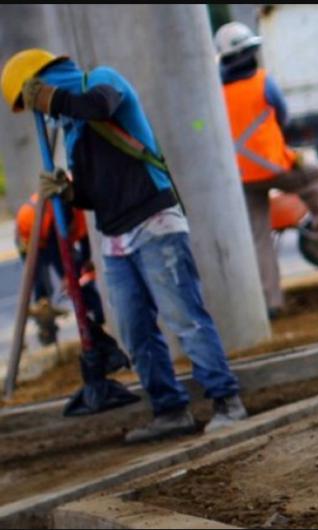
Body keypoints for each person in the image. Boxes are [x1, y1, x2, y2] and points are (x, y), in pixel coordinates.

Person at [1, 48, 249, 442]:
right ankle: (169, 409)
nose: (44, 113)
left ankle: (227, 401)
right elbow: (97, 191)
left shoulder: (101, 81)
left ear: (45, 81)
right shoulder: (74, 129)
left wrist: (53, 98)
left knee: (184, 317)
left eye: (37, 101)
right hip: (115, 235)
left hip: (154, 221)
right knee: (135, 330)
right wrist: (69, 194)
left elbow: (99, 105)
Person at [213, 22, 318, 318]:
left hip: (241, 177)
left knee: (258, 237)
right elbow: (282, 116)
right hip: (275, 167)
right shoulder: (263, 82)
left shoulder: (216, 93)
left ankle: (271, 301)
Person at [15, 192, 105, 345]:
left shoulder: (76, 211)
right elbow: (53, 249)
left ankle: (97, 317)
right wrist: (66, 275)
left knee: (79, 275)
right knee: (41, 284)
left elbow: (84, 240)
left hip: (53, 239)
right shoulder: (51, 215)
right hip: (30, 239)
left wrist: (85, 263)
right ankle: (47, 330)